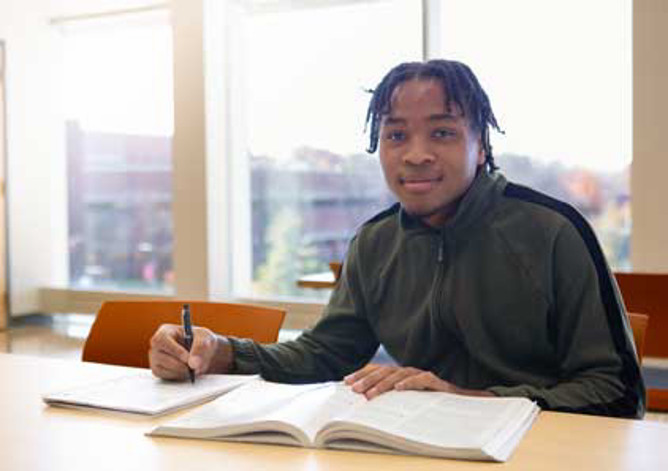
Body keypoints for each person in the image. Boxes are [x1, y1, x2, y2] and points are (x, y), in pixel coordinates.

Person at [149, 59, 645, 418]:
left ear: (481, 147)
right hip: (418, 448)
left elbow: (616, 392)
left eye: (443, 133)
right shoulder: (374, 241)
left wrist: (471, 400)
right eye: (396, 135)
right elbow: (325, 354)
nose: (416, 155)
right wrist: (221, 352)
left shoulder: (554, 230)